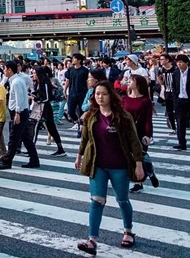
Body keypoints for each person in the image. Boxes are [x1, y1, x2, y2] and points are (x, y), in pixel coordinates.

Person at [75, 81, 145, 254]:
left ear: (111, 96)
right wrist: (79, 155)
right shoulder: (91, 115)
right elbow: (85, 138)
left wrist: (138, 164)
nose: (100, 97)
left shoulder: (123, 116)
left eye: (104, 94)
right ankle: (92, 240)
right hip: (97, 165)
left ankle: (128, 231)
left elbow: (134, 142)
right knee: (96, 201)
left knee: (122, 200)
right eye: (97, 94)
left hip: (119, 166)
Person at [0, 61, 40, 170]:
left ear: (9, 69)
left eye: (5, 69)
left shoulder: (16, 82)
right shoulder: (15, 80)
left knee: (14, 137)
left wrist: (17, 113)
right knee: (25, 137)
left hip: (19, 112)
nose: (4, 71)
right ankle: (34, 159)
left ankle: (7, 161)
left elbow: (19, 98)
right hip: (20, 111)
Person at [122, 75, 158, 193]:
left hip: (140, 131)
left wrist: (148, 135)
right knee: (129, 156)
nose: (129, 82)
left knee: (140, 156)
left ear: (137, 84)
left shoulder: (145, 100)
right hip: (127, 131)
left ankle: (141, 180)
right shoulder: (125, 99)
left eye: (131, 80)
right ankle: (147, 173)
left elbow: (148, 119)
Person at [31, 66, 64, 156]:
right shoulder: (37, 83)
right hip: (40, 107)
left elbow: (47, 98)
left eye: (34, 73)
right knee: (49, 127)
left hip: (45, 108)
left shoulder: (45, 83)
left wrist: (36, 98)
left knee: (37, 127)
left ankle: (31, 149)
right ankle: (60, 148)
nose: (33, 75)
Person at [64, 53, 89, 128]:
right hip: (72, 93)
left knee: (82, 111)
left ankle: (82, 127)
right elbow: (68, 80)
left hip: (82, 94)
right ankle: (78, 122)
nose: (72, 60)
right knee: (70, 111)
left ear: (79, 60)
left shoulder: (85, 70)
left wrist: (89, 92)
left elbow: (87, 82)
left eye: (74, 58)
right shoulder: (70, 70)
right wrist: (65, 90)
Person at [171, 54, 190, 151]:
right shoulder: (175, 73)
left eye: (181, 62)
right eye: (178, 62)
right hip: (180, 100)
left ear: (187, 63)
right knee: (180, 122)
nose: (179, 64)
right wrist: (176, 99)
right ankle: (181, 143)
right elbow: (174, 87)